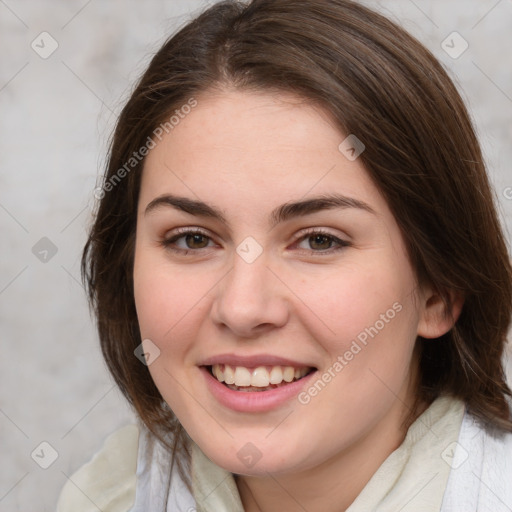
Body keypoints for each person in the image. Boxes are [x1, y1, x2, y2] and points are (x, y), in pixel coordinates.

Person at [57, 0, 512, 510]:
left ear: (440, 290)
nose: (243, 309)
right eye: (193, 239)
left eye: (319, 240)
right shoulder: (99, 496)